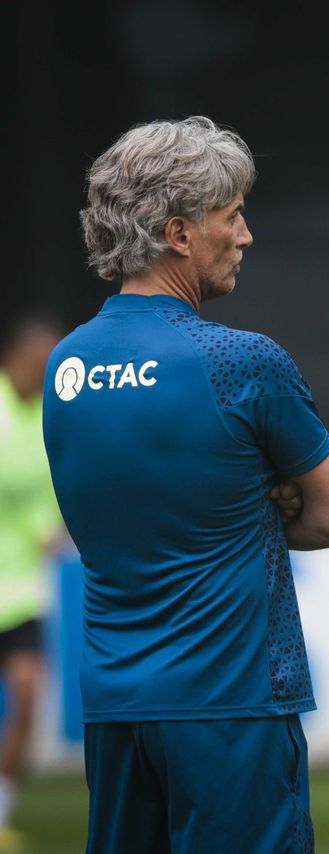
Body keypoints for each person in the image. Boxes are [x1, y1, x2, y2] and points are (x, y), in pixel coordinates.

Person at [42, 117, 329, 854]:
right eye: (234, 216)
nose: (245, 236)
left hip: (115, 705)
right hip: (233, 702)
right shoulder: (242, 360)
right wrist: (267, 507)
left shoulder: (65, 365)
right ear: (180, 233)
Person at [0, 314, 64, 851]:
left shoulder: (50, 418)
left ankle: (0, 816)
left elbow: (49, 495)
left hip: (21, 589)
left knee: (25, 693)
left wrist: (51, 529)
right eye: (42, 363)